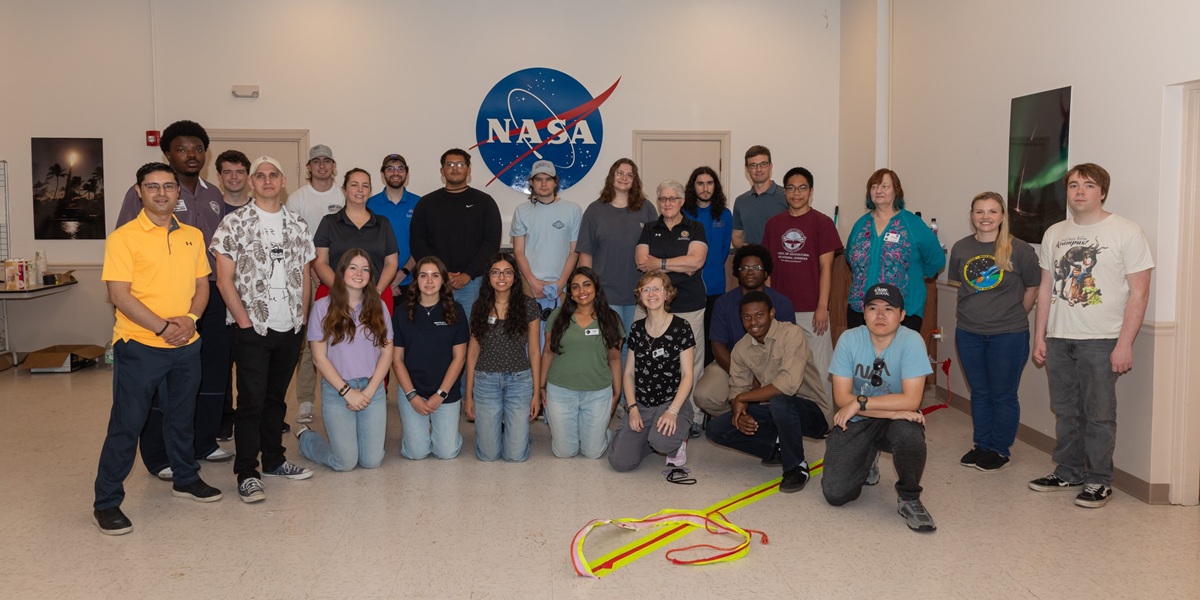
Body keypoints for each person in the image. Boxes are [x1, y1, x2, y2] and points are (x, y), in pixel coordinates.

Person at [93, 162, 223, 535]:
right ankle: (106, 503)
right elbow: (118, 294)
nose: (162, 193)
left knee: (182, 416)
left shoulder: (194, 236)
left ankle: (185, 477)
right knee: (127, 424)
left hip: (187, 344)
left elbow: (203, 286)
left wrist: (190, 321)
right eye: (153, 187)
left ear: (177, 193)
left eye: (168, 186)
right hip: (140, 345)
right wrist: (164, 327)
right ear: (139, 192)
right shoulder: (124, 237)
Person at [1029, 163, 1154, 508]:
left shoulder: (1126, 232)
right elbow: (1045, 288)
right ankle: (1068, 470)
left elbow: (1139, 294)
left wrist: (1124, 344)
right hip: (1058, 336)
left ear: (1102, 192)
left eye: (1088, 185)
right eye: (1073, 185)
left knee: (1099, 414)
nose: (1079, 191)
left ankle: (1099, 479)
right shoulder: (1054, 233)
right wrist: (1039, 337)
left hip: (1102, 340)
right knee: (1067, 411)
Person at [115, 120, 231, 478]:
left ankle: (203, 442)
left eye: (197, 148)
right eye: (182, 149)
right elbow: (125, 245)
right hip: (158, 304)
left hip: (208, 297)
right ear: (167, 153)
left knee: (211, 374)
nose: (191, 155)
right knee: (157, 384)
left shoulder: (214, 195)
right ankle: (158, 455)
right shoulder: (152, 193)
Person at [211, 156, 316, 504]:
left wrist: (301, 317)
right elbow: (224, 280)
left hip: (290, 327)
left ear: (283, 180)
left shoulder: (298, 224)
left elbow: (305, 275)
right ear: (252, 183)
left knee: (276, 399)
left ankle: (273, 459)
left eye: (273, 175)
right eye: (261, 176)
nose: (267, 180)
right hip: (252, 326)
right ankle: (247, 471)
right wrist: (243, 320)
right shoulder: (233, 223)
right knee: (252, 401)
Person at [822, 283, 936, 533]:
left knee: (909, 432)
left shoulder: (912, 341)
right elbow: (842, 398)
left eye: (889, 309)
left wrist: (861, 401)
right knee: (835, 493)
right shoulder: (849, 339)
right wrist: (894, 410)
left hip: (883, 418)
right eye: (873, 308)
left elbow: (912, 401)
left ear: (902, 315)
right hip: (860, 420)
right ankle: (868, 457)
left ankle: (909, 497)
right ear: (863, 313)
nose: (880, 315)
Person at [948, 192, 1040, 472]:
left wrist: (1012, 315)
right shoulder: (961, 247)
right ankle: (981, 445)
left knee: (1003, 394)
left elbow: (1033, 288)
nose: (985, 217)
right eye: (979, 211)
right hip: (968, 333)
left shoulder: (1020, 249)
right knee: (979, 392)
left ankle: (1000, 449)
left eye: (992, 211)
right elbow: (959, 287)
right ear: (972, 216)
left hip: (1008, 335)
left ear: (1002, 216)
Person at [705, 291, 832, 492]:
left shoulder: (791, 333)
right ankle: (776, 448)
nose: (753, 322)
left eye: (759, 315)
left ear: (772, 313)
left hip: (813, 412)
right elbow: (737, 387)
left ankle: (796, 467)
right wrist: (740, 412)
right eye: (746, 317)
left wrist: (743, 398)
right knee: (717, 428)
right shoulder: (741, 348)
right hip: (774, 410)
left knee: (780, 402)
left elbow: (787, 385)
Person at [297, 249, 393, 472]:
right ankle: (306, 437)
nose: (359, 273)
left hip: (373, 389)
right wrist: (347, 392)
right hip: (337, 390)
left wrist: (368, 393)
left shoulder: (378, 307)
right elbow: (319, 359)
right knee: (345, 463)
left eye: (365, 269)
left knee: (371, 461)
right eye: (353, 267)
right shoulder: (322, 307)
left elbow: (387, 353)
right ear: (341, 272)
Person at [762, 167, 843, 404]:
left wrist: (822, 307)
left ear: (811, 191)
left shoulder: (822, 223)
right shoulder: (773, 224)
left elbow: (826, 268)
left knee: (819, 366)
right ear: (784, 191)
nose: (796, 193)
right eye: (791, 188)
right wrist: (770, 305)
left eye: (802, 188)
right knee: (781, 366)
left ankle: (826, 416)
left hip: (811, 308)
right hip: (781, 308)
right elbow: (768, 269)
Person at [635, 179, 708, 436]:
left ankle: (693, 417)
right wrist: (678, 264)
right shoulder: (649, 228)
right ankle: (648, 410)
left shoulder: (695, 228)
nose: (667, 203)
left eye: (672, 199)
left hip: (689, 304)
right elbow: (642, 262)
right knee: (647, 359)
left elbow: (696, 262)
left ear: (682, 201)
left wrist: (661, 263)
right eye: (663, 199)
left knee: (691, 364)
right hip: (652, 305)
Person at [694, 244, 796, 417]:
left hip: (772, 367)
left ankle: (758, 415)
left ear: (765, 272)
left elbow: (788, 349)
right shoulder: (723, 303)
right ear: (736, 272)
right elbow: (717, 346)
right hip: (731, 365)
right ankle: (737, 415)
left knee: (783, 398)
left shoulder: (782, 303)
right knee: (703, 395)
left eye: (756, 267)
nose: (750, 272)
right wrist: (744, 376)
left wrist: (762, 378)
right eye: (744, 267)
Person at [608, 271, 695, 472]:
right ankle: (650, 440)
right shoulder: (637, 329)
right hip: (642, 404)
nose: (651, 293)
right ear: (639, 295)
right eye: (646, 289)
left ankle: (675, 443)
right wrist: (632, 409)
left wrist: (672, 412)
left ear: (667, 294)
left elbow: (688, 375)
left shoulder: (681, 327)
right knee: (620, 462)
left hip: (671, 402)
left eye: (657, 288)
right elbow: (629, 373)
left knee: (663, 442)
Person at [844, 168, 945, 331]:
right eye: (874, 186)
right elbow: (850, 257)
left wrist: (914, 274)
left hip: (902, 310)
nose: (878, 190)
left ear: (896, 190)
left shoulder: (913, 224)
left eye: (885, 186)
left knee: (897, 357)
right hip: (861, 309)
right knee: (861, 357)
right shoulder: (860, 225)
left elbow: (936, 259)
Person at [464, 253, 542, 462]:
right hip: (485, 382)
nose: (502, 277)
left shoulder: (529, 306)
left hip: (519, 381)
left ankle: (519, 435)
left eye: (508, 272)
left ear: (515, 277)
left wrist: (536, 392)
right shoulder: (478, 306)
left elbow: (534, 351)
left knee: (515, 456)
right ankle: (505, 432)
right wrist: (469, 394)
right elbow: (472, 352)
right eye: (495, 272)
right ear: (488, 277)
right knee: (488, 455)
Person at [540, 267, 624, 459]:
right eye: (575, 287)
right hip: (560, 391)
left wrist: (617, 393)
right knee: (564, 452)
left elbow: (615, 357)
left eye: (587, 285)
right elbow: (547, 352)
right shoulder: (558, 317)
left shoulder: (611, 319)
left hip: (597, 392)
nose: (582, 291)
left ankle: (600, 434)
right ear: (570, 293)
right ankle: (579, 433)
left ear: (596, 288)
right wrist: (541, 386)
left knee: (592, 452)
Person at [409, 148, 502, 321]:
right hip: (435, 282)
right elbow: (418, 242)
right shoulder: (426, 203)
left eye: (460, 164)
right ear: (442, 170)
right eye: (449, 164)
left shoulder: (484, 202)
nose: (455, 168)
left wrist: (468, 274)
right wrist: (440, 273)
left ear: (469, 169)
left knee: (471, 336)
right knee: (435, 334)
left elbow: (491, 243)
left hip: (473, 283)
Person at [392, 256, 469, 460]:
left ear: (443, 280)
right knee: (416, 453)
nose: (429, 281)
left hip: (445, 391)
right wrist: (412, 396)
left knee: (446, 452)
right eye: (423, 276)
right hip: (412, 390)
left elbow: (459, 358)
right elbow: (397, 360)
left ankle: (449, 435)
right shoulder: (401, 313)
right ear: (416, 280)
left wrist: (440, 395)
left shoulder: (456, 311)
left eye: (435, 275)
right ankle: (415, 436)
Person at [288, 144, 343, 430]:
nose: (321, 166)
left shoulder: (343, 195)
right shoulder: (297, 199)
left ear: (334, 165)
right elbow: (294, 241)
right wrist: (313, 271)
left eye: (327, 161)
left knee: (346, 337)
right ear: (309, 167)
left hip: (344, 277)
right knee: (310, 341)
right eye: (316, 161)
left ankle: (344, 391)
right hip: (307, 275)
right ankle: (306, 399)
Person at [576, 158, 657, 350]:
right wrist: (587, 291)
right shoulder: (594, 211)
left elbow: (656, 249)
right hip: (606, 294)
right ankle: (612, 382)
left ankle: (629, 382)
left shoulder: (646, 209)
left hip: (639, 295)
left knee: (636, 348)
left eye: (630, 174)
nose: (624, 178)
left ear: (635, 180)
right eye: (620, 173)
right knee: (610, 348)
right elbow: (585, 255)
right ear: (611, 176)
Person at [511, 160, 581, 346]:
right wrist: (532, 283)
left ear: (555, 182)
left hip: (561, 288)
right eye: (538, 179)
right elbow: (518, 252)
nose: (543, 183)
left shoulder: (573, 210)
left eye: (548, 179)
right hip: (529, 287)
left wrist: (561, 283)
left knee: (557, 342)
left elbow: (574, 252)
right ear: (531, 182)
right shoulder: (521, 211)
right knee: (529, 343)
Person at [214, 149, 252, 442]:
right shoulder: (212, 212)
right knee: (221, 363)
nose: (234, 177)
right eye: (228, 172)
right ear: (219, 176)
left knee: (254, 364)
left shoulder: (261, 210)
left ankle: (254, 415)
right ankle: (224, 418)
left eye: (240, 172)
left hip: (254, 299)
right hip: (219, 295)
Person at [683, 166, 733, 366]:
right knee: (690, 337)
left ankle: (708, 387)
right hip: (688, 286)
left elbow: (722, 252)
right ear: (693, 186)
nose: (705, 188)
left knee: (712, 337)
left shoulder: (725, 214)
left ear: (715, 186)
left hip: (715, 286)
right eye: (700, 183)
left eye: (710, 183)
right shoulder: (684, 213)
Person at [366, 153, 421, 307]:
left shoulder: (419, 204)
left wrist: (400, 276)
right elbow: (366, 245)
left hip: (411, 282)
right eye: (390, 168)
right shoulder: (369, 205)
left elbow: (423, 244)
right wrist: (387, 281)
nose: (396, 173)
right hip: (377, 283)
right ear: (383, 174)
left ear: (407, 173)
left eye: (400, 168)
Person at [731, 145, 786, 248]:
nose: (758, 169)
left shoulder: (786, 196)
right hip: (752, 262)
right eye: (753, 165)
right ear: (747, 169)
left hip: (781, 261)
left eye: (763, 164)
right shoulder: (740, 201)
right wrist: (753, 251)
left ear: (770, 166)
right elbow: (736, 236)